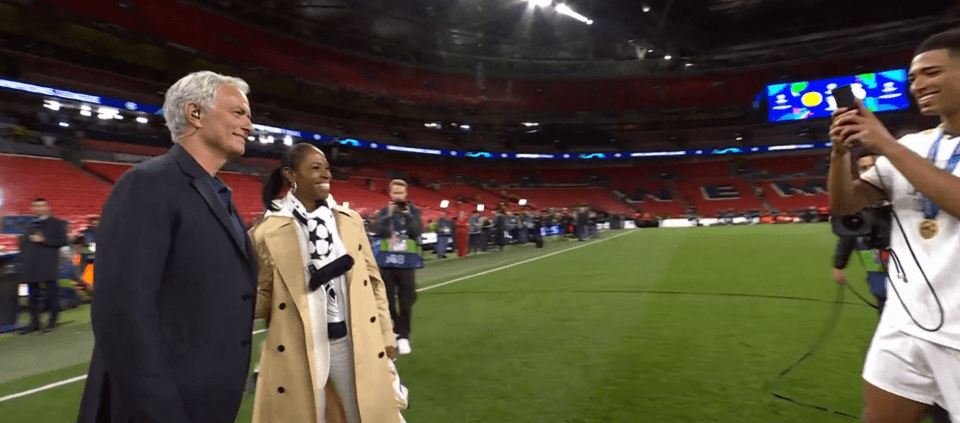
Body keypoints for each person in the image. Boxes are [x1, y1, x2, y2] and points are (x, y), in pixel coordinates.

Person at [77, 71, 258, 423]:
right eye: (238, 113)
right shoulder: (147, 185)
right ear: (195, 113)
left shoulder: (218, 194)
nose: (249, 125)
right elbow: (121, 315)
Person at [828, 29, 960, 423]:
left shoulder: (900, 148)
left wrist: (887, 145)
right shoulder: (915, 144)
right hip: (903, 323)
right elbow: (846, 204)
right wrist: (840, 155)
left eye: (931, 73)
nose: (919, 86)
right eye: (913, 79)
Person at [250, 143, 402, 423]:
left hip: (351, 340)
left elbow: (373, 282)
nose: (325, 175)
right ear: (290, 175)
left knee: (370, 415)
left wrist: (385, 332)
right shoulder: (266, 232)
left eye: (327, 169)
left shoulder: (349, 221)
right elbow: (263, 294)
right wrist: (231, 302)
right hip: (300, 345)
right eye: (315, 168)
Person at [833, 155, 889, 315]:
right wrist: (839, 265)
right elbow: (847, 236)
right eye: (864, 168)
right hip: (872, 255)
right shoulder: (856, 204)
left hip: (905, 261)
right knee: (881, 292)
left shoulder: (897, 195)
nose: (869, 172)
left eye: (872, 166)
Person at [375, 180, 423, 355]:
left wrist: (409, 216)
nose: (398, 196)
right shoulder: (384, 212)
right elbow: (378, 231)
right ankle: (395, 332)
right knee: (386, 300)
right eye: (395, 193)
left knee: (407, 299)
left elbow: (416, 233)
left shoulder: (414, 212)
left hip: (407, 263)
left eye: (401, 193)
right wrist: (387, 216)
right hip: (387, 262)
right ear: (390, 194)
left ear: (406, 194)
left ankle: (404, 336)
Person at [17, 198, 68, 334]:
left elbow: (63, 241)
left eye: (42, 205)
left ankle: (52, 320)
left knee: (52, 294)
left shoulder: (57, 223)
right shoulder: (28, 224)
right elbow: (23, 243)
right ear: (32, 208)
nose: (39, 208)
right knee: (32, 295)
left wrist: (44, 240)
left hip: (48, 264)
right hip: (30, 265)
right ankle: (35, 322)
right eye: (36, 206)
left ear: (47, 207)